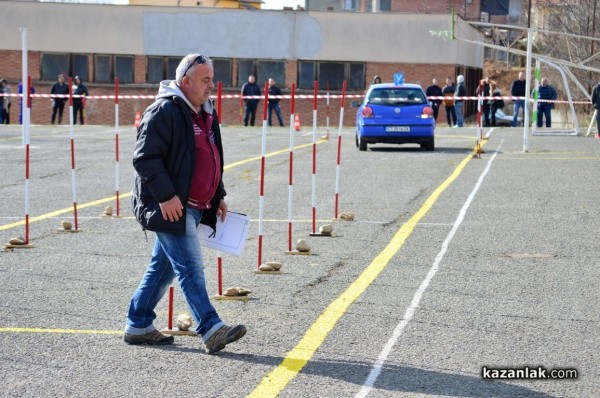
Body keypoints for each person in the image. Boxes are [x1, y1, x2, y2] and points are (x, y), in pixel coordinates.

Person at [125, 54, 246, 354]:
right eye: (205, 80)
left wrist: (217, 195)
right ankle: (210, 327)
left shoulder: (204, 111)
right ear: (186, 81)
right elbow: (144, 158)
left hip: (194, 205)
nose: (211, 87)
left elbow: (210, 156)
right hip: (168, 206)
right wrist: (166, 196)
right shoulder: (163, 111)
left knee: (161, 269)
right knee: (191, 267)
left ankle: (138, 323)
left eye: (211, 80)